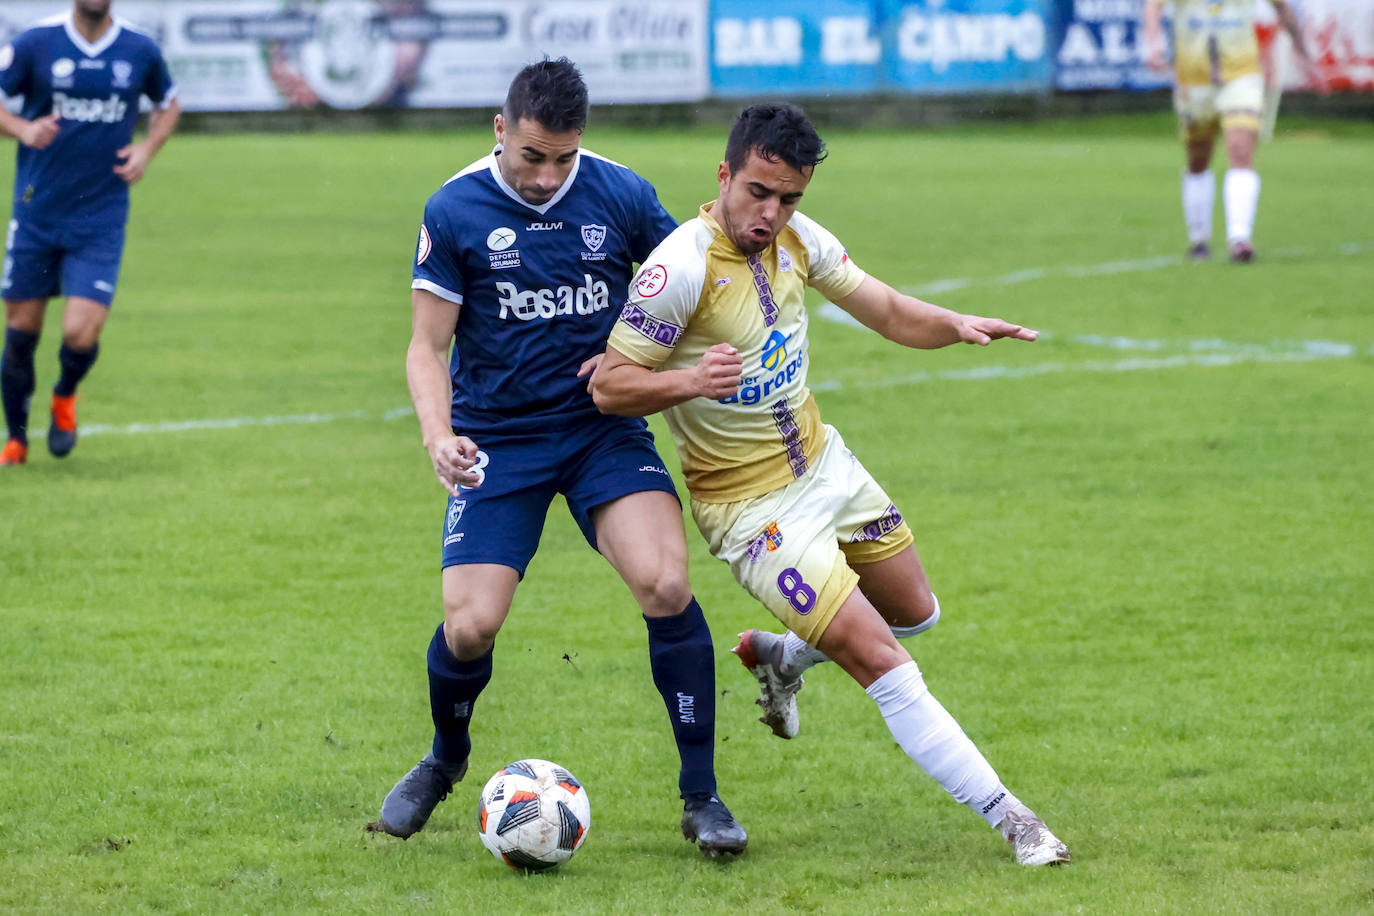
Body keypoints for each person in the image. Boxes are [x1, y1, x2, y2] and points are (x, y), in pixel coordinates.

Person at [590, 103, 1071, 866]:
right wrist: (689, 382)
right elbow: (611, 387)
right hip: (752, 513)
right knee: (884, 662)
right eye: (758, 193)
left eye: (789, 199)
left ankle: (783, 658)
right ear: (723, 175)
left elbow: (883, 309)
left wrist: (957, 324)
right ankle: (1017, 823)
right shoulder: (678, 269)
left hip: (827, 467)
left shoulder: (799, 244)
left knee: (915, 613)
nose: (771, 213)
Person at [368, 58, 747, 858]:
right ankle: (445, 760)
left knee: (666, 581)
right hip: (496, 437)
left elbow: (689, 289)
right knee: (469, 627)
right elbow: (425, 347)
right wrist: (439, 436)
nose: (546, 177)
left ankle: (701, 795)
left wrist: (642, 366)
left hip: (599, 430)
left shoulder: (621, 194)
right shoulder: (456, 207)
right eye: (531, 156)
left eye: (563, 159)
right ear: (500, 129)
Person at [0, 0, 180, 467]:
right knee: (21, 332)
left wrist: (147, 150)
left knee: (81, 333)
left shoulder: (139, 48)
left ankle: (64, 397)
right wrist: (21, 127)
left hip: (101, 216)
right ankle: (16, 438)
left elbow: (169, 103)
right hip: (36, 212)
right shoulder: (36, 43)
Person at [1144, 0, 1318, 263]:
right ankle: (1199, 238)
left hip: (1241, 76)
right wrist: (1154, 40)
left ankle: (1240, 238)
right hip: (1194, 80)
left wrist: (1302, 51)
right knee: (1197, 158)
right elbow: (1153, 4)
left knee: (1240, 149)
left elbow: (1282, 8)